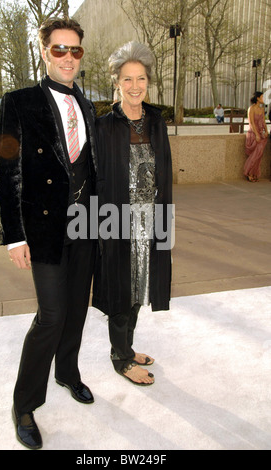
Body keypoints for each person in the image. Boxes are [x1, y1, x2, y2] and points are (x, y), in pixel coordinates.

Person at [0, 16, 97, 450]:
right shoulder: (18, 102)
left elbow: (92, 170)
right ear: (44, 52)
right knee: (51, 315)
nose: (68, 58)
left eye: (75, 50)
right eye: (60, 49)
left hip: (87, 223)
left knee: (77, 308)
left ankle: (68, 372)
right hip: (42, 227)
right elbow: (8, 172)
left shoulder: (88, 106)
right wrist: (14, 235)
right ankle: (24, 404)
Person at [93, 41, 173, 386]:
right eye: (127, 79)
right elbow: (94, 176)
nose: (135, 86)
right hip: (117, 220)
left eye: (140, 79)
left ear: (148, 82)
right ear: (117, 83)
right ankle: (121, 358)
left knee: (142, 286)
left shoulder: (156, 121)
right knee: (120, 290)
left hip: (151, 218)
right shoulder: (105, 126)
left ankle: (127, 345)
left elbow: (164, 171)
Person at [244, 91, 268, 182]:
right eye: (262, 97)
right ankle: (249, 173)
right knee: (254, 155)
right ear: (258, 98)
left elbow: (263, 121)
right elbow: (252, 122)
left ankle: (254, 173)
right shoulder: (251, 108)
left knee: (259, 155)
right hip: (253, 133)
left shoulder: (261, 109)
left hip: (261, 133)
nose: (263, 99)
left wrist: (266, 131)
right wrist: (256, 134)